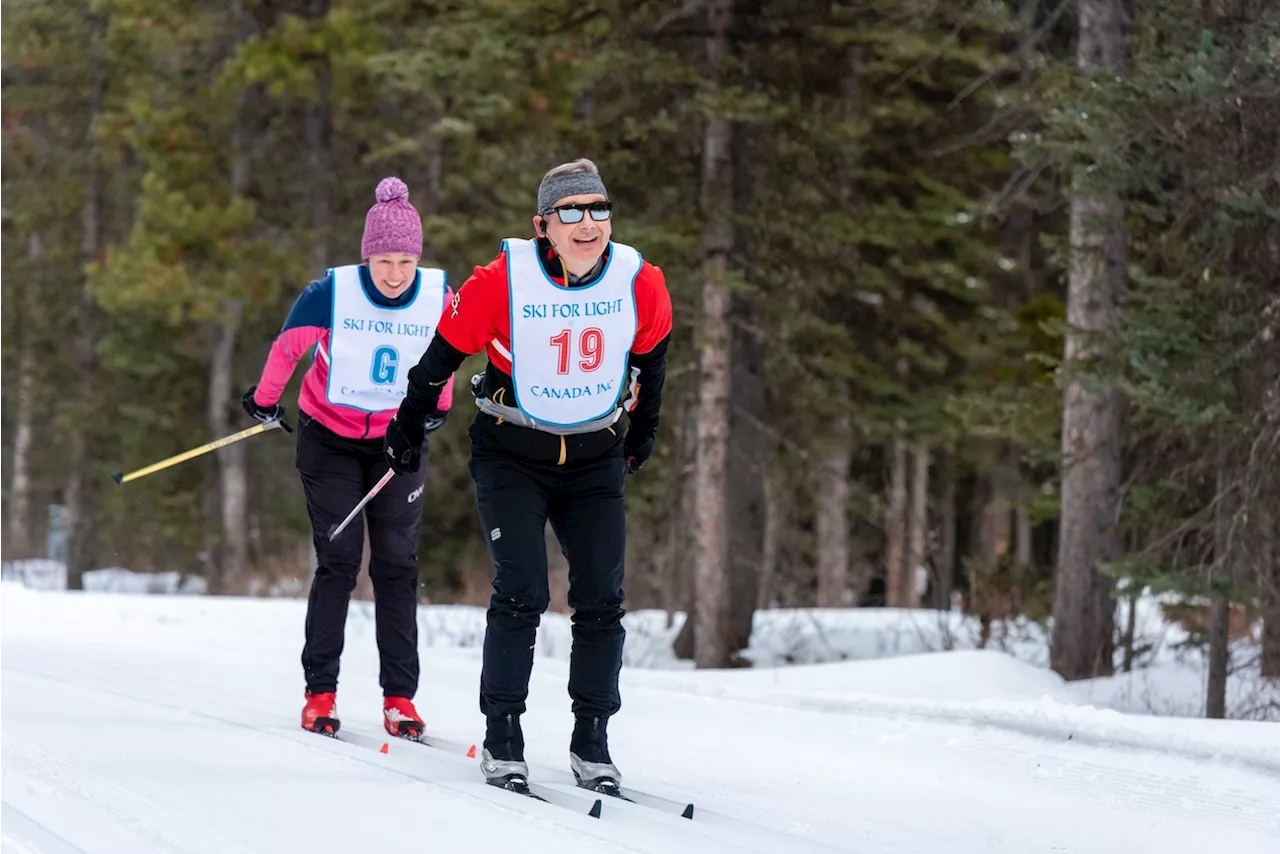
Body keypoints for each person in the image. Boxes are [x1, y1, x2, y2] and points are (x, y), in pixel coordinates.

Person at [382, 158, 672, 791]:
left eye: (599, 209)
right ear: (544, 225)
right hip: (512, 452)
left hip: (594, 454)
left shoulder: (638, 280)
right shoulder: (499, 283)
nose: (589, 224)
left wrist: (644, 429)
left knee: (601, 598)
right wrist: (406, 424)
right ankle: (503, 735)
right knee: (523, 591)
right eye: (572, 213)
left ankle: (591, 741)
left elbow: (652, 360)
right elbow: (438, 362)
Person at [241, 176, 455, 739]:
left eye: (406, 260)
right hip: (329, 438)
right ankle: (321, 692)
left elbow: (449, 352)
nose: (394, 274)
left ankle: (400, 699)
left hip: (396, 444)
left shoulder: (437, 295)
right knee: (339, 561)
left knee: (397, 566)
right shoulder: (331, 293)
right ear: (367, 256)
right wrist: (265, 402)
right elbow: (289, 347)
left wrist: (437, 408)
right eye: (384, 260)